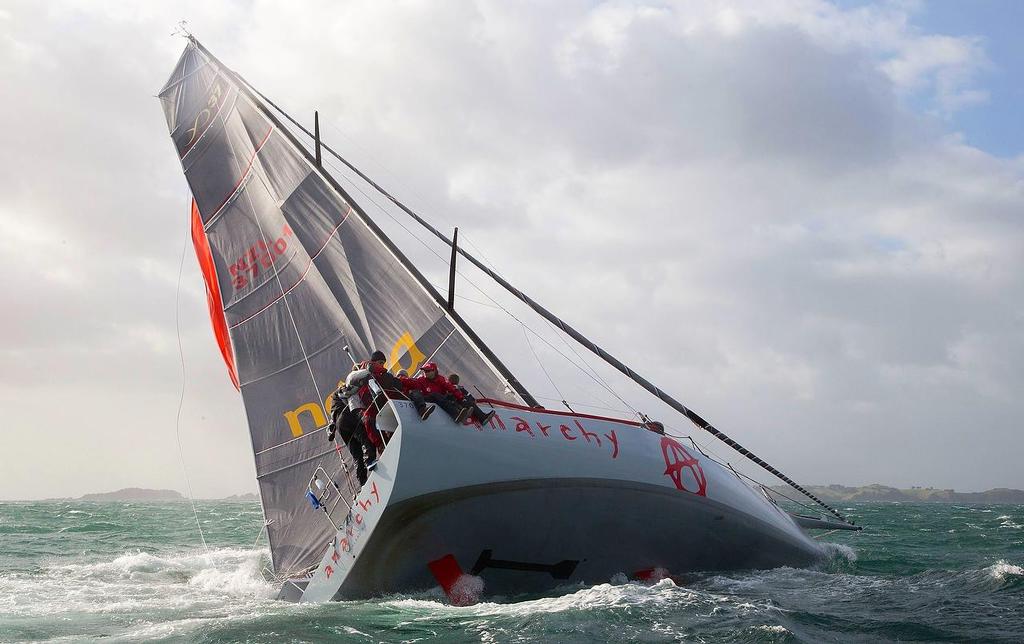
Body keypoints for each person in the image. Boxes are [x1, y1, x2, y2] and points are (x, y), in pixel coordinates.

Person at [402, 362, 470, 422]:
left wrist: (462, 398)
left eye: (428, 371)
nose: (425, 373)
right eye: (424, 371)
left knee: (448, 396)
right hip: (427, 399)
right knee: (416, 392)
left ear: (434, 371)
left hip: (440, 399)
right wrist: (399, 379)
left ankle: (459, 413)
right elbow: (410, 381)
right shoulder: (421, 379)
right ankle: (423, 411)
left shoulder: (441, 379)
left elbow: (452, 388)